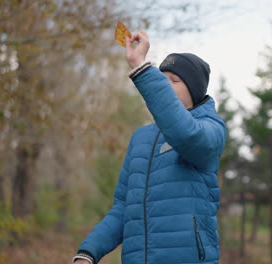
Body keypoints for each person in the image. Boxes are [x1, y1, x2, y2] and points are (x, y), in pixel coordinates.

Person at [72, 30, 226, 264]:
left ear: (195, 91)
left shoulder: (211, 128)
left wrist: (141, 68)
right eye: (161, 80)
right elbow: (124, 208)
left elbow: (186, 135)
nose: (165, 86)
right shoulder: (140, 138)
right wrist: (88, 252)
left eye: (174, 81)